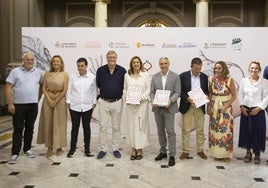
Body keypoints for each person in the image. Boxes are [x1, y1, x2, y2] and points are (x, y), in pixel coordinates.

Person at [5, 52, 43, 163]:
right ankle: (15, 152)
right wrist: (10, 103)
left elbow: (42, 85)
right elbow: (8, 87)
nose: (30, 61)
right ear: (23, 60)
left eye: (32, 60)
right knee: (18, 129)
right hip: (18, 105)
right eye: (28, 59)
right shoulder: (15, 72)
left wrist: (38, 98)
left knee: (30, 128)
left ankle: (27, 149)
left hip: (32, 105)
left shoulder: (38, 72)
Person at [150, 57, 181, 166]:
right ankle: (163, 151)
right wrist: (152, 100)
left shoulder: (175, 76)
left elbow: (178, 92)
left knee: (170, 132)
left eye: (165, 63)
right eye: (161, 63)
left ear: (169, 64)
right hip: (158, 108)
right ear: (159, 65)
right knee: (160, 131)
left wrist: (170, 100)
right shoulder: (154, 77)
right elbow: (152, 92)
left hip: (169, 108)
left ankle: (172, 155)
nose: (163, 65)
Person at [96, 50, 126, 159]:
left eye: (113, 57)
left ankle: (115, 148)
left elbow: (125, 86)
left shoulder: (122, 71)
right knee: (103, 127)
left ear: (116, 58)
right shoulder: (100, 70)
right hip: (104, 102)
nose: (111, 59)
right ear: (106, 58)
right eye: (109, 57)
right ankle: (103, 149)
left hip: (117, 102)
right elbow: (98, 84)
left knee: (116, 127)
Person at [37, 55, 69, 158]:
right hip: (48, 100)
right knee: (48, 123)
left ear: (61, 63)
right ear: (52, 63)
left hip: (60, 100)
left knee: (59, 123)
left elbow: (64, 90)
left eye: (57, 61)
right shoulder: (47, 74)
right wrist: (49, 99)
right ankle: (49, 147)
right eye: (54, 61)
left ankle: (59, 146)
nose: (55, 63)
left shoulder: (65, 74)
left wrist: (56, 100)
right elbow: (44, 89)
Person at [66, 57, 97, 158]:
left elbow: (95, 90)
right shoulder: (73, 76)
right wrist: (68, 101)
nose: (80, 68)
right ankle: (72, 148)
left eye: (82, 66)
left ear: (86, 66)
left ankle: (87, 149)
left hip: (87, 106)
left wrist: (94, 102)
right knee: (75, 128)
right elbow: (69, 89)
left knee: (86, 127)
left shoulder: (92, 77)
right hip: (74, 106)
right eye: (78, 66)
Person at [238, 61, 268, 164]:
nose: (253, 70)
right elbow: (240, 94)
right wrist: (241, 106)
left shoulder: (264, 82)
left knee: (258, 132)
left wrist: (259, 108)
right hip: (246, 110)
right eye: (252, 68)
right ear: (249, 69)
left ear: (259, 70)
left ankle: (257, 154)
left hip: (258, 111)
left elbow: (266, 97)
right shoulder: (243, 81)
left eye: (256, 68)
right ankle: (248, 152)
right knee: (247, 131)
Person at [179, 57, 208, 160]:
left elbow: (206, 91)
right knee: (186, 129)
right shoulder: (183, 76)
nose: (198, 71)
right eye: (196, 68)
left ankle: (200, 150)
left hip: (200, 106)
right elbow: (180, 91)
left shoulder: (204, 77)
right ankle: (185, 151)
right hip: (187, 105)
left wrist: (206, 96)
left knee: (200, 129)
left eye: (200, 68)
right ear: (191, 66)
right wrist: (188, 98)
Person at [207, 61, 236, 162]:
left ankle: (226, 154)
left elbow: (234, 96)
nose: (217, 70)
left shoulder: (229, 80)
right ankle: (217, 154)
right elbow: (210, 94)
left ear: (224, 69)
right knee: (214, 131)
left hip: (226, 109)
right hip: (214, 108)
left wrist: (226, 106)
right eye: (216, 68)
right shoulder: (211, 79)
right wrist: (208, 106)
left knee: (226, 131)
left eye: (219, 68)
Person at [123, 56, 151, 160]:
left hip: (142, 105)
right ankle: (133, 149)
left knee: (140, 126)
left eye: (137, 62)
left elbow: (148, 89)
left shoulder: (145, 75)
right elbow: (125, 89)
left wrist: (142, 98)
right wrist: (126, 97)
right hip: (130, 105)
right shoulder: (127, 75)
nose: (136, 64)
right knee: (131, 127)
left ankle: (140, 149)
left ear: (140, 64)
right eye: (134, 62)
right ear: (131, 64)